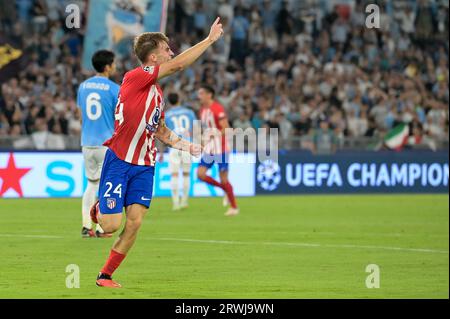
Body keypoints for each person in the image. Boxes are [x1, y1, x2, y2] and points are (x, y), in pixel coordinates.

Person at [90, 18, 224, 288]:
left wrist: (187, 146)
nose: (171, 52)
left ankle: (105, 275)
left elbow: (160, 130)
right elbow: (179, 65)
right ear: (153, 57)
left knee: (135, 223)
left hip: (144, 165)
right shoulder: (135, 77)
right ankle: (98, 209)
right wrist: (209, 40)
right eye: (166, 49)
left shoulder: (157, 94)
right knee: (110, 226)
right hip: (119, 159)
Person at [77, 50, 119, 238]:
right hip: (106, 144)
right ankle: (102, 228)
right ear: (108, 66)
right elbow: (118, 118)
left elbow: (80, 116)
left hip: (87, 143)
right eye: (114, 63)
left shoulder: (83, 87)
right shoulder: (113, 88)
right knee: (106, 186)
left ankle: (87, 226)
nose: (115, 67)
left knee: (91, 184)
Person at [197, 85, 239, 216]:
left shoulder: (217, 108)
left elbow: (226, 128)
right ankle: (225, 190)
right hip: (210, 148)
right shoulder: (202, 110)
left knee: (224, 178)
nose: (199, 96)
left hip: (221, 149)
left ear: (209, 95)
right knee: (200, 174)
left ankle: (234, 208)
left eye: (202, 93)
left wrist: (213, 135)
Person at [161, 92, 197, 211]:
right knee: (186, 174)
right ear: (179, 99)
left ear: (169, 102)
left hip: (174, 147)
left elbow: (163, 134)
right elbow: (195, 130)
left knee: (174, 175)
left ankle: (175, 203)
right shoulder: (189, 112)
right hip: (187, 146)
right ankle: (184, 201)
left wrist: (161, 152)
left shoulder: (167, 115)